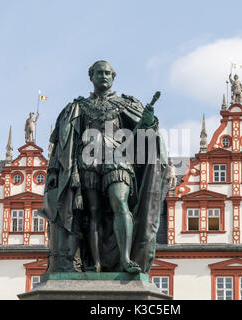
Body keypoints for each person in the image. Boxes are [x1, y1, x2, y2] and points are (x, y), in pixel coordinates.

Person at [40, 60, 167, 274]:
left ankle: (126, 259)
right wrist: (53, 171)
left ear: (113, 77)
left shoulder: (126, 103)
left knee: (120, 201)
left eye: (107, 73)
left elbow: (147, 133)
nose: (103, 76)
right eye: (99, 73)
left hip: (117, 157)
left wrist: (148, 122)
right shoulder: (77, 107)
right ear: (91, 77)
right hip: (87, 161)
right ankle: (94, 263)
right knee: (93, 212)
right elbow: (61, 145)